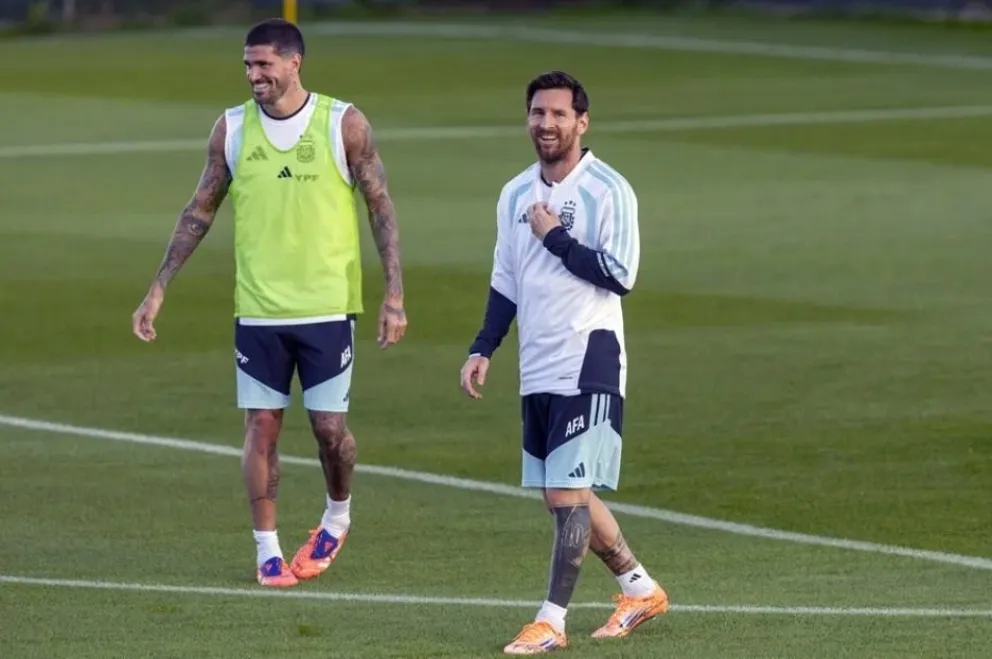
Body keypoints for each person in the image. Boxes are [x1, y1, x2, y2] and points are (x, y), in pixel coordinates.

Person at [131, 18, 407, 588]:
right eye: (247, 66)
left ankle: (337, 514)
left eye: (263, 65)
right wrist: (159, 286)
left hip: (328, 307)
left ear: (293, 63)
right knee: (261, 426)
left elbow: (380, 205)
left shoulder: (342, 123)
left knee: (330, 430)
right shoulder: (230, 129)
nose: (253, 75)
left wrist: (394, 295)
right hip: (258, 310)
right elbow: (198, 210)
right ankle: (267, 551)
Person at [459, 71, 668, 654]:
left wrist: (554, 237)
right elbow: (506, 280)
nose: (545, 123)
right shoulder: (514, 194)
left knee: (567, 492)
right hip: (539, 361)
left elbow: (619, 274)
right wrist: (484, 346)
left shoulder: (608, 190)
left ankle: (551, 621)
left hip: (589, 357)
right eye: (536, 113)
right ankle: (638, 587)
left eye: (557, 114)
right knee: (560, 491)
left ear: (582, 122)